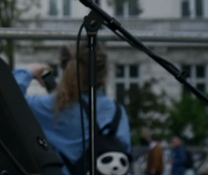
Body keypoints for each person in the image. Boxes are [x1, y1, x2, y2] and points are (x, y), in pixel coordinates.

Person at [13, 42, 132, 175]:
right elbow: (125, 151)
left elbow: (7, 98)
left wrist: (28, 71)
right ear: (103, 72)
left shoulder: (50, 107)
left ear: (65, 69)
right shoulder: (117, 111)